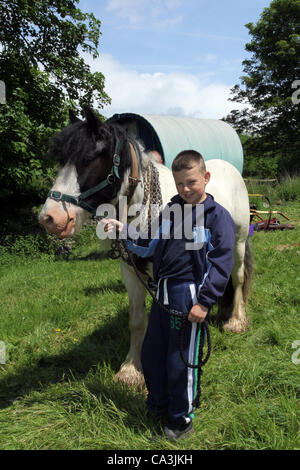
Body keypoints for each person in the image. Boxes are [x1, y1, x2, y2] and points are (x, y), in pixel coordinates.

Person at [102, 150, 236, 441]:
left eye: (191, 182)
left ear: (206, 178)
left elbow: (222, 263)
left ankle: (180, 421)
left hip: (189, 296)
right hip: (161, 292)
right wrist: (123, 230)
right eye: (179, 184)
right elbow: (149, 244)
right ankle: (158, 404)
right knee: (152, 354)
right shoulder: (171, 211)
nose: (185, 189)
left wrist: (204, 302)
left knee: (180, 360)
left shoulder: (217, 218)